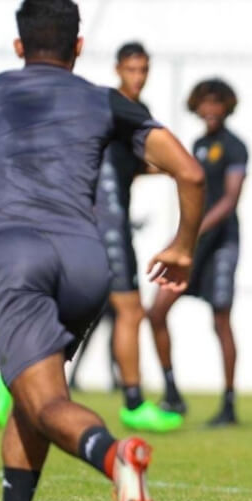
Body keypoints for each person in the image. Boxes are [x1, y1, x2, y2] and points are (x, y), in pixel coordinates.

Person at [0, 0, 205, 501]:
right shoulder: (106, 101)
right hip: (87, 262)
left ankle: (115, 456)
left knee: (44, 401)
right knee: (33, 393)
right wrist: (184, 247)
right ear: (79, 47)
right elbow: (189, 172)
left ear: (19, 46)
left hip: (13, 257)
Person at [95, 42, 184, 432]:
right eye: (132, 69)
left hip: (92, 219)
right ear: (119, 69)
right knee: (131, 311)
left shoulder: (121, 110)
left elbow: (128, 164)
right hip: (109, 221)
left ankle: (13, 382)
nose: (138, 76)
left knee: (73, 309)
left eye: (143, 69)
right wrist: (179, 166)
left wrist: (158, 169)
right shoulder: (120, 108)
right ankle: (132, 402)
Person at [149, 79, 247, 426]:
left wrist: (191, 231)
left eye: (216, 103)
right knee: (157, 310)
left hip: (221, 244)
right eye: (204, 104)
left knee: (221, 318)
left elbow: (229, 201)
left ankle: (229, 403)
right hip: (193, 243)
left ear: (226, 106)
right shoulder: (198, 144)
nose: (210, 110)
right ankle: (172, 393)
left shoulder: (235, 147)